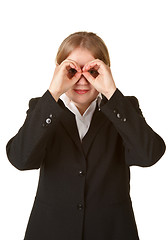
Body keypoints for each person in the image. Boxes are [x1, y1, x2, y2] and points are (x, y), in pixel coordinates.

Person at [6, 31, 166, 240]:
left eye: (92, 71)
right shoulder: (42, 109)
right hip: (50, 231)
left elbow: (149, 156)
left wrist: (111, 93)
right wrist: (53, 93)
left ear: (105, 71)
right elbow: (20, 159)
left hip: (112, 231)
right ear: (59, 71)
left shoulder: (124, 109)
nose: (82, 81)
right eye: (72, 71)